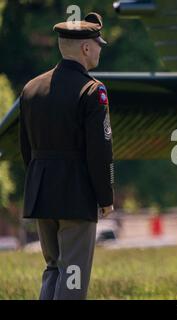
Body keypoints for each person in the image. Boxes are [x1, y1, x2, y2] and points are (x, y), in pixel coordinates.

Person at [19, 12, 114, 300]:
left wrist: (39, 182)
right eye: (98, 43)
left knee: (53, 270)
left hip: (41, 192)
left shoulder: (31, 88)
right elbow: (100, 150)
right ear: (86, 48)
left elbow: (26, 148)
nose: (100, 48)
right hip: (76, 195)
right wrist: (106, 196)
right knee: (73, 274)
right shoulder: (92, 90)